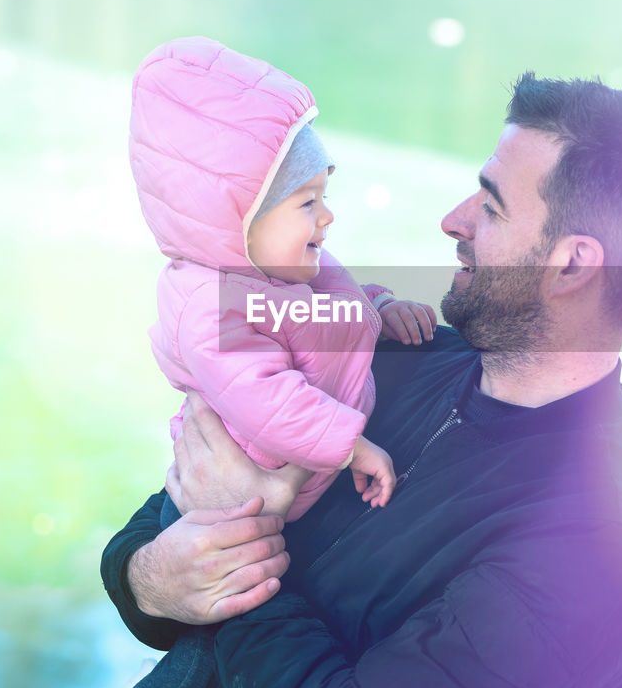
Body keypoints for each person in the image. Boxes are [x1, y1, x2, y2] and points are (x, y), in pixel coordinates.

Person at [102, 72, 622, 688]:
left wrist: (240, 564)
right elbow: (171, 512)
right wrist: (152, 578)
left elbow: (217, 507)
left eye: (491, 207)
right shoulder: (389, 353)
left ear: (573, 265)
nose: (452, 221)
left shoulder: (597, 543)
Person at [127, 36, 437, 526]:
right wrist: (352, 448)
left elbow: (323, 315)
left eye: (324, 196)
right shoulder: (211, 305)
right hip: (229, 512)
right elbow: (265, 398)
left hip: (303, 489)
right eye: (307, 203)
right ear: (240, 218)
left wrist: (379, 310)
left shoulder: (282, 268)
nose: (328, 216)